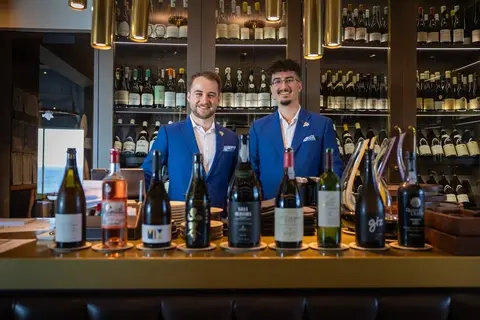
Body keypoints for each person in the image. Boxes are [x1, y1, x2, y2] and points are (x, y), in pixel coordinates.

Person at [141, 71, 238, 209]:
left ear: (218, 99)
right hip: (180, 219)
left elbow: (235, 181)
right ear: (188, 96)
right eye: (199, 94)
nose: (204, 101)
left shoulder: (231, 138)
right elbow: (147, 173)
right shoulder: (169, 133)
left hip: (219, 221)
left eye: (211, 95)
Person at [249, 59, 343, 200]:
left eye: (289, 80)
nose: (284, 86)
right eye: (277, 81)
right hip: (269, 211)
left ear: (299, 85)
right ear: (271, 89)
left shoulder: (322, 125)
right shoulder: (258, 128)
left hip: (309, 210)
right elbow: (252, 172)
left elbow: (333, 170)